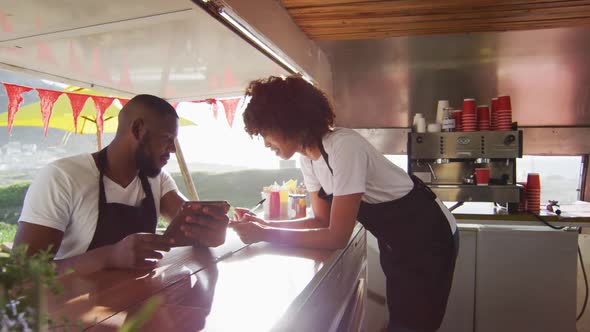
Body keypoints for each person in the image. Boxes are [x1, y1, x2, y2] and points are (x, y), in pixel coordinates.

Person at [232, 75, 459, 332]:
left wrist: (264, 233)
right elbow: (321, 220)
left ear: (288, 121)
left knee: (413, 325)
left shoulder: (344, 146)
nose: (265, 142)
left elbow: (337, 236)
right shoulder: (308, 158)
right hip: (397, 241)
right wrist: (265, 223)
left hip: (429, 237)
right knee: (401, 320)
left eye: (265, 131)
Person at [13, 94, 228, 275]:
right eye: (167, 138)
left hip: (135, 308)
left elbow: (189, 221)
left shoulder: (157, 179)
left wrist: (209, 231)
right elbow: (22, 271)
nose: (172, 149)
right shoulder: (62, 177)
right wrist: (109, 257)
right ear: (138, 129)